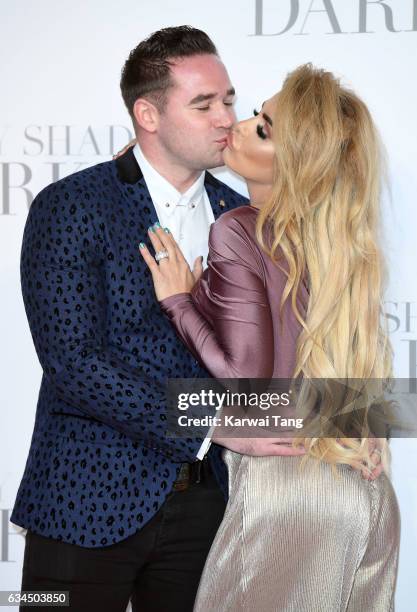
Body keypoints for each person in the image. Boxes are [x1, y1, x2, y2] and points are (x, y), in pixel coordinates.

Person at [11, 26, 311, 612]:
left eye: (228, 100)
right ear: (147, 114)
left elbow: (267, 363)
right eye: (203, 104)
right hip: (81, 505)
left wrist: (353, 425)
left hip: (212, 511)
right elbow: (74, 363)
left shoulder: (244, 216)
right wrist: (208, 426)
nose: (225, 117)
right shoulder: (72, 205)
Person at [140, 64, 400, 611]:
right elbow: (364, 391)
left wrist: (179, 303)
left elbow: (245, 382)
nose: (236, 124)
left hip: (285, 492)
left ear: (295, 162)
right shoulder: (344, 248)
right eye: (257, 110)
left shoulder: (237, 226)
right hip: (365, 494)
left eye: (262, 126)